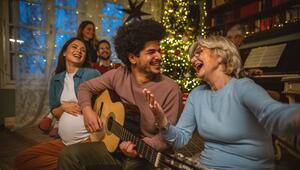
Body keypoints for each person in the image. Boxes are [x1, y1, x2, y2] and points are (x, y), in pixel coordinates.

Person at [143, 36, 300, 170]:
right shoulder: (196, 95)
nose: (192, 59)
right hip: (204, 164)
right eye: (192, 55)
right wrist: (162, 120)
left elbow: (276, 115)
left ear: (220, 56)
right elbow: (180, 139)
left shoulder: (243, 87)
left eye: (199, 52)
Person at [57, 19, 182, 170]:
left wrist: (139, 146)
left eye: (159, 51)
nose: (159, 57)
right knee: (68, 155)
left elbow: (167, 138)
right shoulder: (118, 74)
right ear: (132, 58)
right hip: (113, 144)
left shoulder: (171, 89)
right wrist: (87, 110)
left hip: (145, 152)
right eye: (151, 52)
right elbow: (85, 87)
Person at [14, 37, 100, 170]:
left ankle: (73, 164)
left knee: (66, 160)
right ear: (64, 52)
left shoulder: (91, 74)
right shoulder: (56, 79)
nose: (79, 51)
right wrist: (64, 107)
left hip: (87, 140)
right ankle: (74, 166)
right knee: (23, 160)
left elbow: (104, 101)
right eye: (75, 47)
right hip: (64, 142)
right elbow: (54, 111)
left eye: (83, 50)